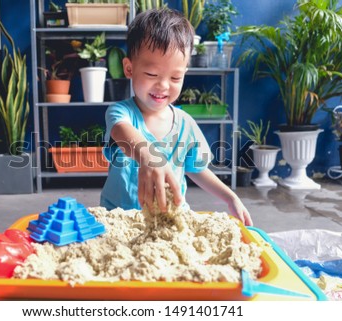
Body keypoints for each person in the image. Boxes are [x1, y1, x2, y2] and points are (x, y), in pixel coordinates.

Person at [100, 8, 253, 226]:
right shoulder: (121, 113)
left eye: (175, 77)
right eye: (152, 74)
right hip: (120, 220)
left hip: (169, 220)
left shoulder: (185, 124)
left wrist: (231, 197)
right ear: (129, 68)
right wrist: (149, 157)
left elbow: (197, 170)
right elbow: (124, 135)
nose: (163, 85)